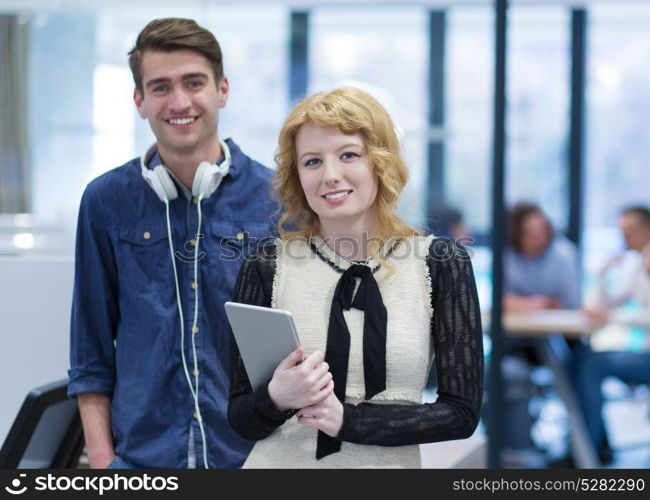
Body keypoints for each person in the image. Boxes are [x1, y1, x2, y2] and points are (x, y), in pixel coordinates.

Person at [227, 87, 484, 468]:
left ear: (379, 161)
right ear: (297, 175)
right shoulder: (266, 264)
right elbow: (241, 418)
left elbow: (461, 414)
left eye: (348, 155)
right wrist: (276, 398)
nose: (331, 176)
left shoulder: (440, 262)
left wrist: (349, 421)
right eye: (312, 161)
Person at [67, 18, 276, 469]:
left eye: (194, 83)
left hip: (253, 459)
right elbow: (90, 347)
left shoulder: (278, 199)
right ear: (140, 101)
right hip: (140, 462)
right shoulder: (105, 201)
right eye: (160, 87)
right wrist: (104, 463)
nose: (179, 102)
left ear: (222, 90)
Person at [572, 206, 650, 464]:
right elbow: (612, 302)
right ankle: (592, 445)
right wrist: (604, 272)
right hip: (643, 353)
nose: (624, 239)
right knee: (582, 358)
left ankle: (588, 452)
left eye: (629, 232)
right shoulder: (638, 263)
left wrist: (613, 318)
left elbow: (623, 314)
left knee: (590, 367)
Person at [504, 202, 581, 312]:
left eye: (542, 230)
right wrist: (530, 304)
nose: (539, 238)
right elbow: (502, 300)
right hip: (516, 324)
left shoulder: (564, 255)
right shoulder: (508, 255)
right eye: (530, 233)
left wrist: (546, 304)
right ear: (517, 235)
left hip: (556, 324)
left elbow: (572, 303)